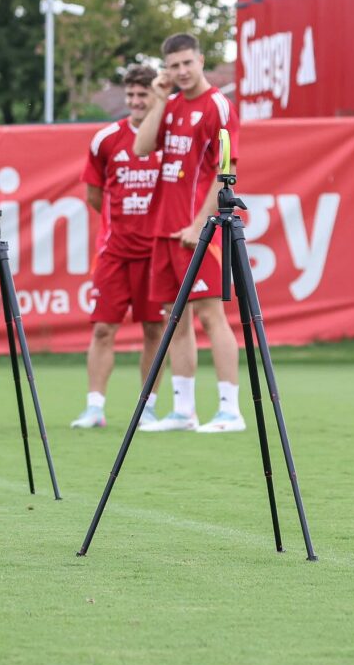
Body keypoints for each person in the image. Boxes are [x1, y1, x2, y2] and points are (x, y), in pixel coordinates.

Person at [133, 32, 244, 433]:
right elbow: (143, 147)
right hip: (164, 228)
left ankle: (230, 410)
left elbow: (225, 173)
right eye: (174, 65)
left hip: (198, 231)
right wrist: (159, 98)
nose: (181, 71)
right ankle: (183, 411)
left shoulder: (217, 105)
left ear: (200, 60)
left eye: (187, 63)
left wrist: (199, 226)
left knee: (212, 316)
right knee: (174, 320)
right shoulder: (172, 103)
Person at [71, 65, 164, 430]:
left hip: (157, 253)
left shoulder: (168, 138)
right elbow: (94, 194)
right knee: (102, 329)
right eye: (132, 96)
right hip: (115, 252)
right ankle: (95, 407)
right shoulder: (106, 139)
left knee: (155, 330)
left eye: (144, 95)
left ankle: (149, 408)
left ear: (155, 97)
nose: (137, 102)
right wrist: (120, 224)